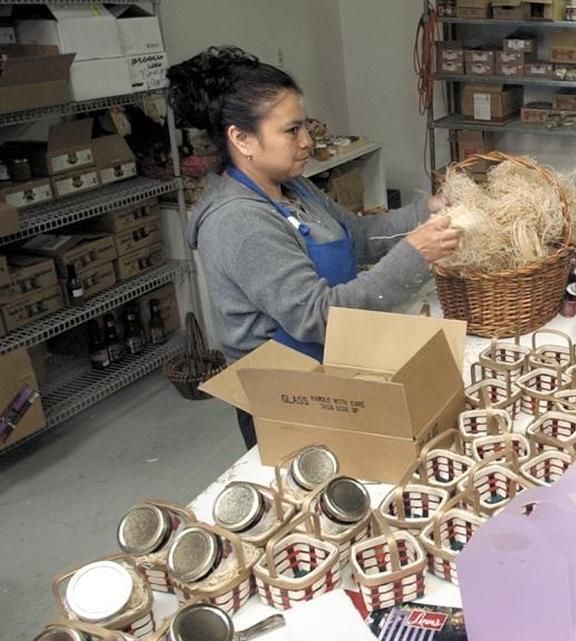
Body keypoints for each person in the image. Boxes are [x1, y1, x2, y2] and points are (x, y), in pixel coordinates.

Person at [168, 46, 461, 448]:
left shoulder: (293, 187)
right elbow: (318, 317)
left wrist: (427, 210)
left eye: (306, 127)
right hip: (287, 397)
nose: (307, 141)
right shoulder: (238, 220)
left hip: (333, 368)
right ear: (242, 139)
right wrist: (415, 255)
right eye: (292, 131)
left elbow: (356, 237)